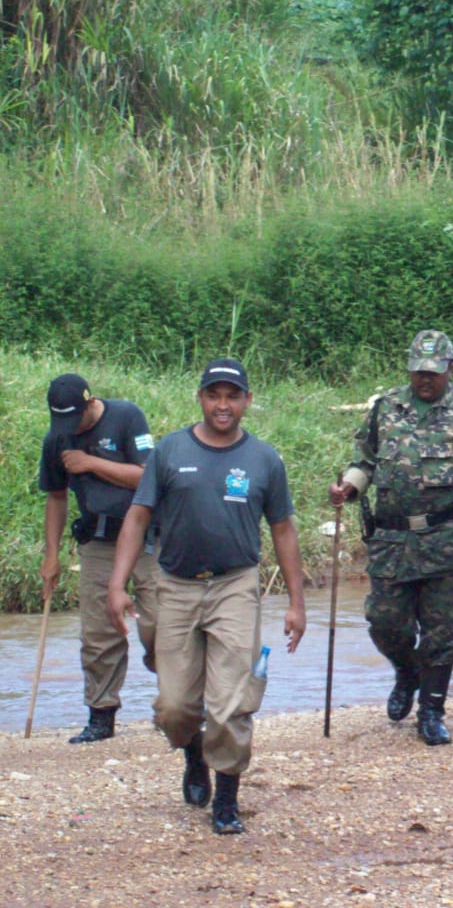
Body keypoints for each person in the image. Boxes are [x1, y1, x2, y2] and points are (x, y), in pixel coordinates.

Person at [104, 358, 306, 835]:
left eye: (232, 396)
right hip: (174, 586)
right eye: (214, 395)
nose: (223, 405)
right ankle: (193, 751)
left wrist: (297, 602)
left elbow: (283, 529)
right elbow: (137, 518)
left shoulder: (264, 459)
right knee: (175, 708)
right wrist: (117, 585)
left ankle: (228, 799)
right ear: (200, 398)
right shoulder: (170, 451)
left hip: (236, 585)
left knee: (232, 701)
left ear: (246, 401)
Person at [328, 331, 453, 747]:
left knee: (439, 631)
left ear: (449, 367)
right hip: (392, 539)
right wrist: (350, 488)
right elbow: (365, 460)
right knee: (384, 620)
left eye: (433, 371)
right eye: (418, 371)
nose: (424, 379)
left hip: (448, 539)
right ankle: (407, 671)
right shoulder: (385, 408)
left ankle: (431, 710)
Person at [37, 374, 160, 744]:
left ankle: (177, 704)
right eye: (62, 422)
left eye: (75, 419)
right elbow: (56, 496)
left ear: (91, 403)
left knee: (161, 623)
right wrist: (52, 555)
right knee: (97, 632)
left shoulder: (127, 417)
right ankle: (101, 716)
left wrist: (90, 463)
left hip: (147, 538)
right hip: (98, 539)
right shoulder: (57, 437)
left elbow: (146, 476)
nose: (69, 429)